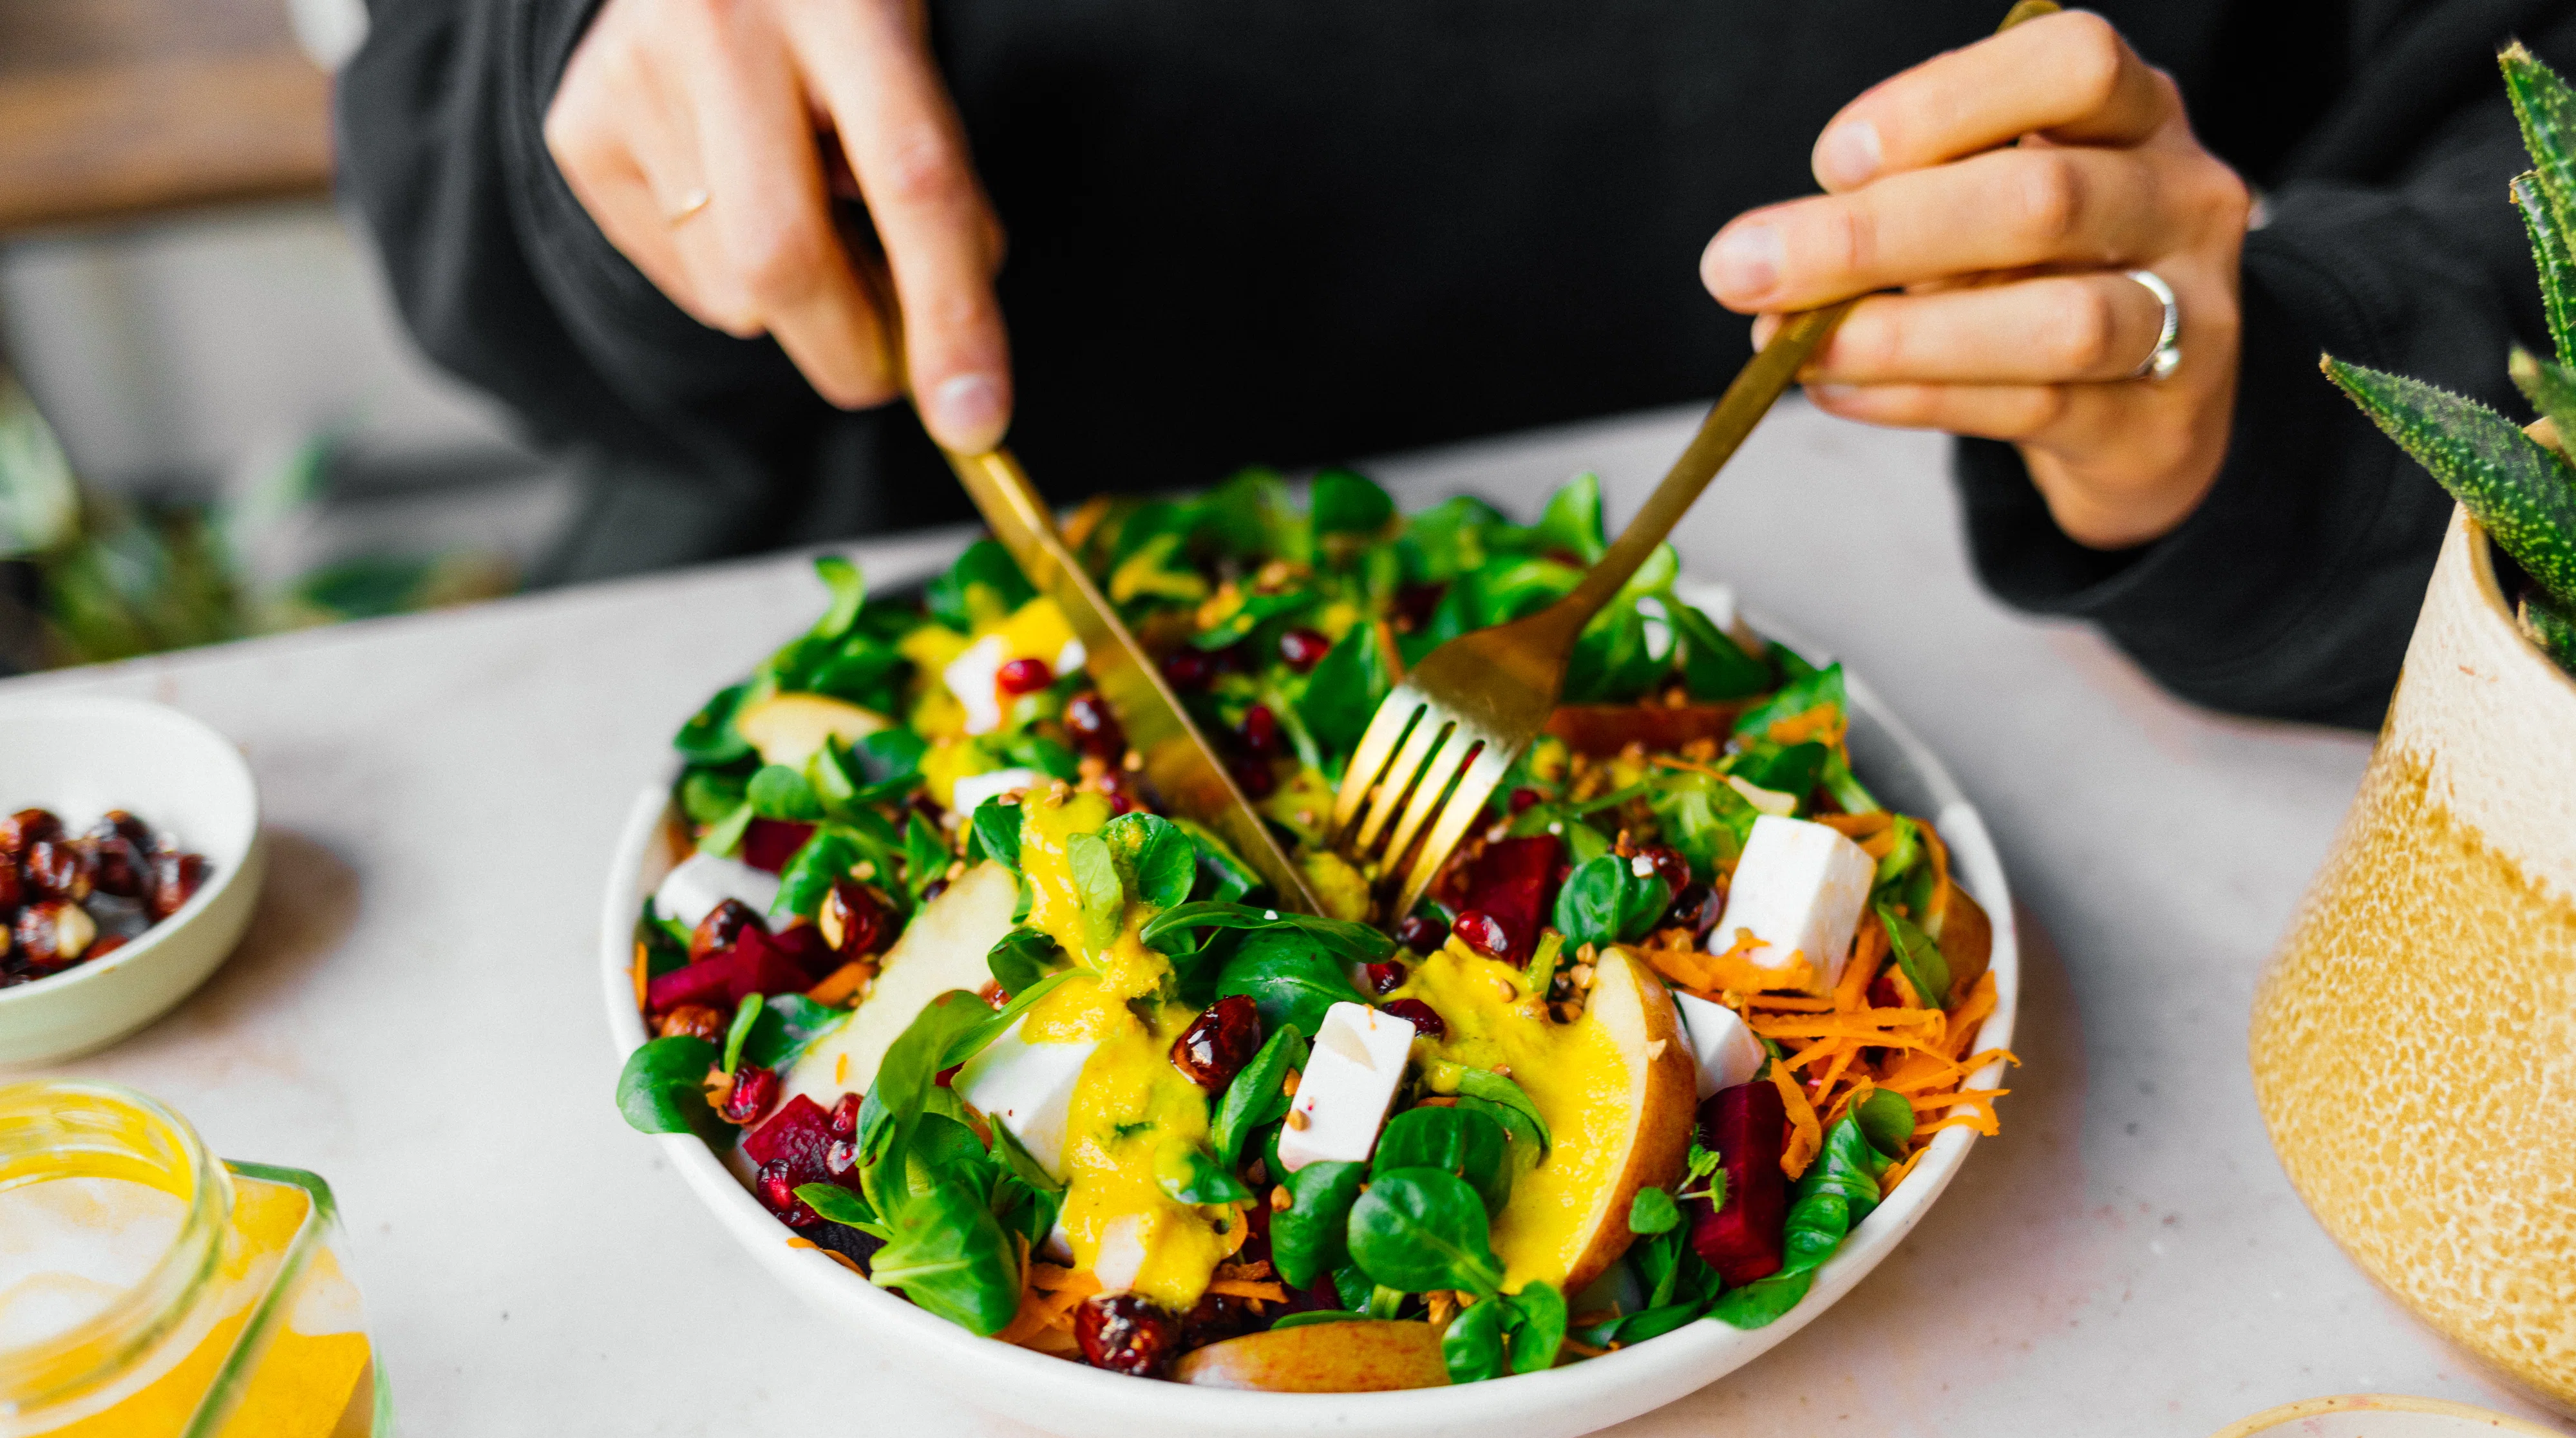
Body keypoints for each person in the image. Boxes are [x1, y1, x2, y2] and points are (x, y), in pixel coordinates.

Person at [338, 1, 2576, 729]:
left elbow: (2529, 111)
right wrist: (618, 97)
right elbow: (442, 111)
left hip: (2062, 694)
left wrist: (2269, 382)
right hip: (868, 580)